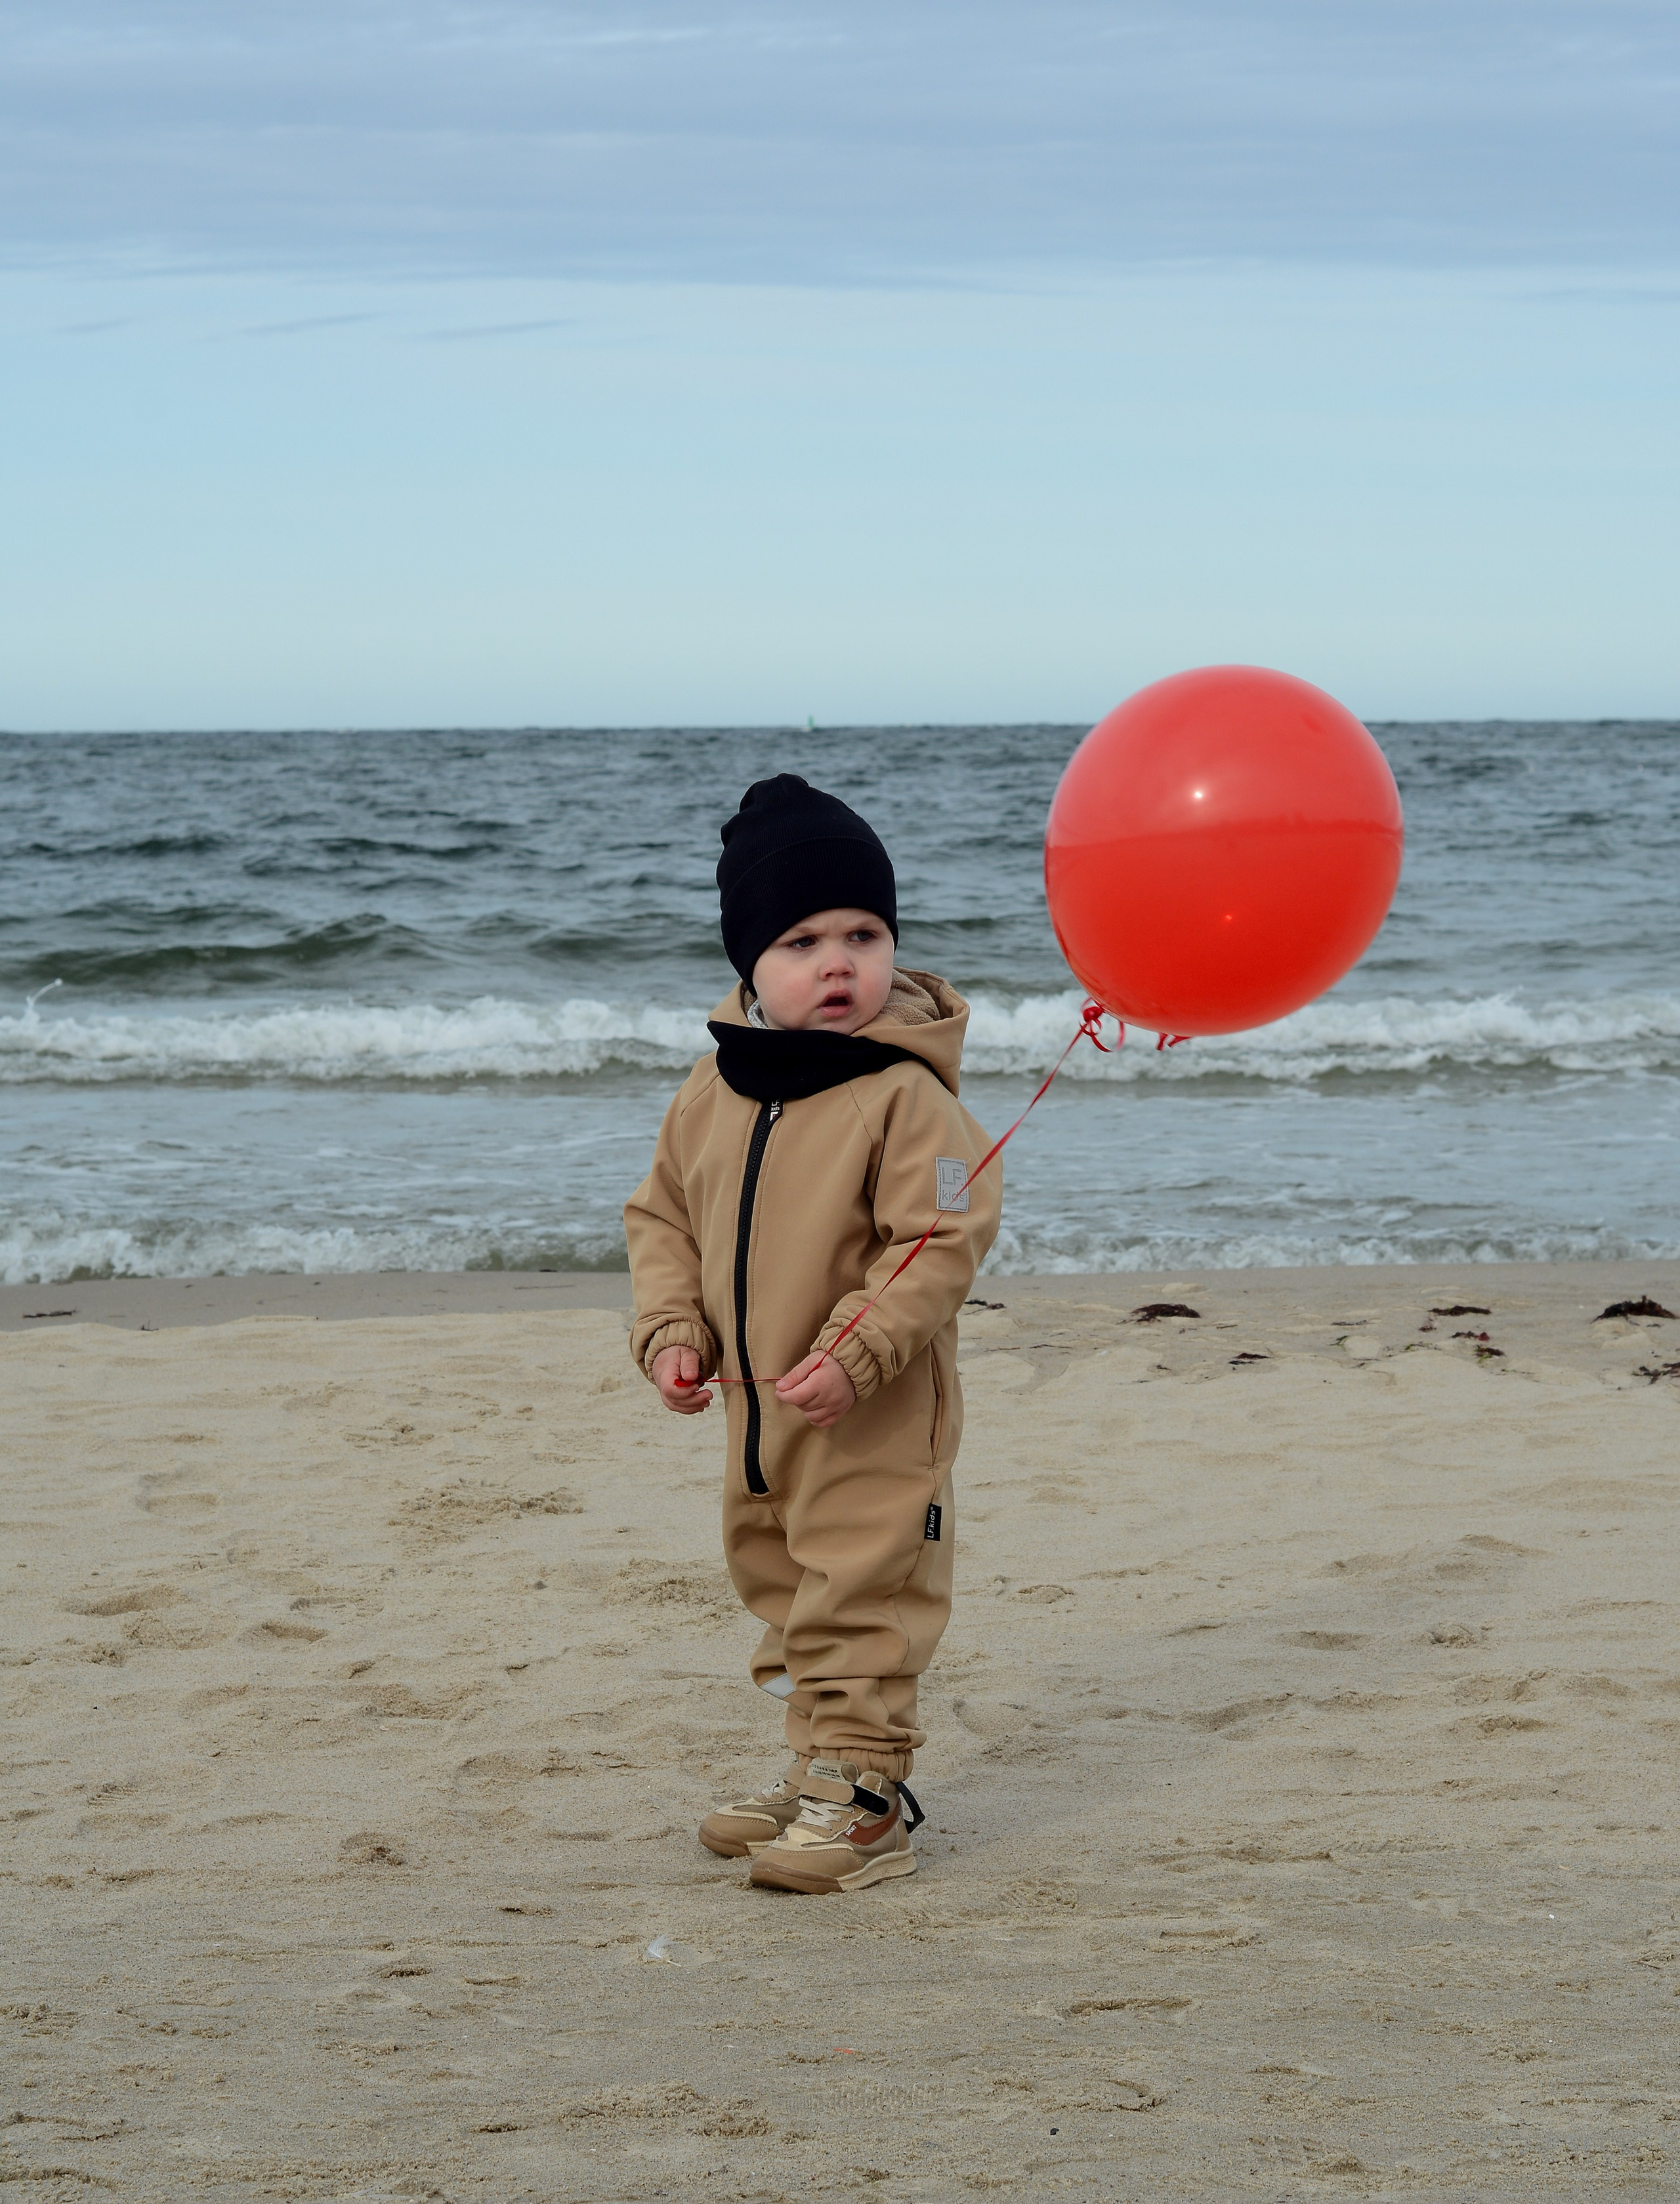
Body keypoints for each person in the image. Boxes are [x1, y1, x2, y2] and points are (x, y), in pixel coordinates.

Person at [623, 774, 1000, 1894]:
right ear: (751, 962)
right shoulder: (715, 1087)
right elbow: (662, 1217)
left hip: (868, 1407)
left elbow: (939, 1234)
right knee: (781, 1582)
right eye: (800, 940)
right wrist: (670, 1331)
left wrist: (857, 1348)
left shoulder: (904, 1096)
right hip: (755, 1406)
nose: (838, 963)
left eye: (864, 933)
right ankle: (817, 1767)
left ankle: (869, 1798)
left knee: (862, 1588)